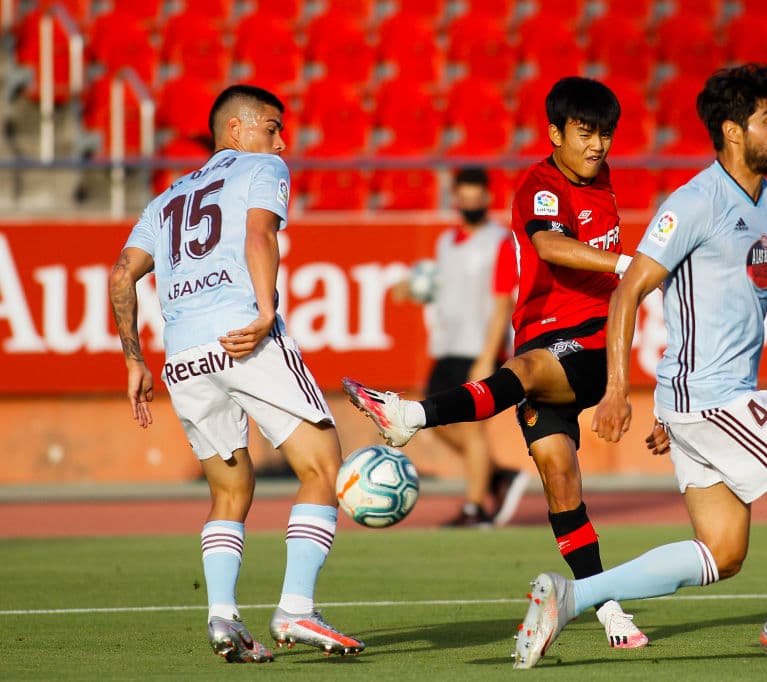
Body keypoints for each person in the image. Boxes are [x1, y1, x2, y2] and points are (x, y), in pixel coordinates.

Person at [512, 63, 767, 668]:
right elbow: (629, 292)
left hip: (704, 402)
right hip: (714, 397)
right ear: (731, 131)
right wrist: (621, 391)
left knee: (722, 553)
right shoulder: (695, 203)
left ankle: (572, 597)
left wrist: (674, 410)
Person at [343, 76, 650, 649]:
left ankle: (410, 417)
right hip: (537, 336)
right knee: (561, 480)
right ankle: (608, 608)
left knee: (528, 372)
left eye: (606, 134)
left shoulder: (600, 178)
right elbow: (548, 245)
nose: (598, 146)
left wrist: (619, 379)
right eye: (586, 133)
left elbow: (595, 274)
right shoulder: (539, 184)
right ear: (555, 133)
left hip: (585, 338)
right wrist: (625, 262)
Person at [108, 84, 365, 663]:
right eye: (271, 126)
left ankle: (223, 617)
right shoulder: (262, 166)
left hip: (184, 355)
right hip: (243, 337)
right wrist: (266, 310)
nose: (281, 139)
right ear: (236, 131)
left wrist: (133, 358)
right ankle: (296, 608)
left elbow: (122, 274)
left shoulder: (165, 198)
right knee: (323, 463)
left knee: (230, 489)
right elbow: (259, 233)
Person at [406, 166, 528, 527]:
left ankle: (475, 507)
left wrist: (488, 356)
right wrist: (410, 288)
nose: (471, 201)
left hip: (478, 346)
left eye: (477, 195)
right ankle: (496, 477)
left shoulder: (498, 241)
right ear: (456, 197)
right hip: (447, 345)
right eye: (465, 195)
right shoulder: (445, 242)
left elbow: (503, 300)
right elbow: (444, 288)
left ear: (488, 198)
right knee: (434, 419)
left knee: (472, 427)